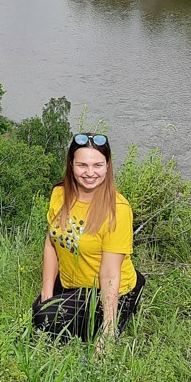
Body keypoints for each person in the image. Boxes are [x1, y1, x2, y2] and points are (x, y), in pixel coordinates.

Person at [32, 132, 144, 345]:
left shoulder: (118, 210)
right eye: (82, 165)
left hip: (109, 290)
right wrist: (46, 293)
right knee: (40, 310)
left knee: (44, 319)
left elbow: (110, 274)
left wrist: (107, 332)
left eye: (97, 165)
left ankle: (123, 312)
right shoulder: (59, 194)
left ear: (108, 166)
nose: (90, 172)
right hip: (71, 283)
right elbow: (51, 243)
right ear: (71, 164)